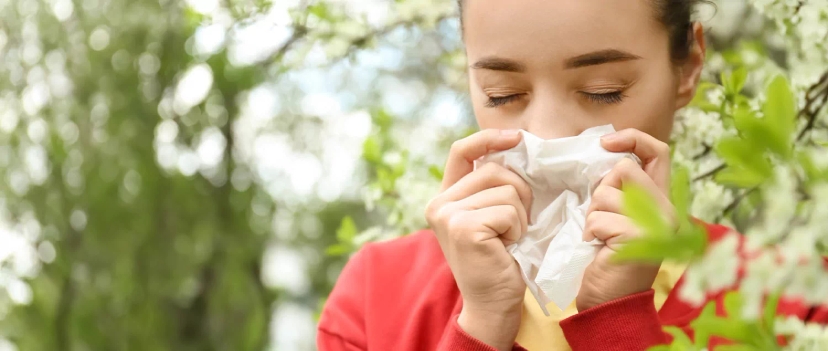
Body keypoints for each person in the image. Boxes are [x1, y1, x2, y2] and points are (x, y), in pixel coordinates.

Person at [317, 1, 828, 350]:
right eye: (503, 95)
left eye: (604, 90)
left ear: (689, 66)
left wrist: (618, 321)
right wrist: (480, 325)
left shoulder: (796, 301)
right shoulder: (375, 296)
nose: (549, 134)